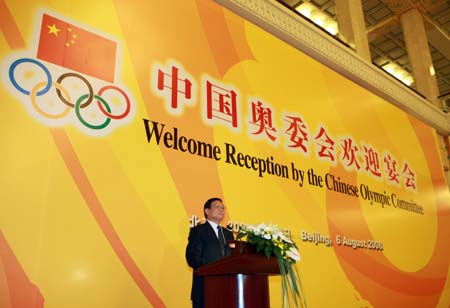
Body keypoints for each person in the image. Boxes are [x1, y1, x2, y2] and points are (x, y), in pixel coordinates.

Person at [185, 197, 234, 308]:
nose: (221, 210)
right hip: (205, 289)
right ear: (207, 211)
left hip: (226, 290)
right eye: (217, 207)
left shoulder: (228, 234)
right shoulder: (198, 230)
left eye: (223, 208)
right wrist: (213, 269)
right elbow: (192, 258)